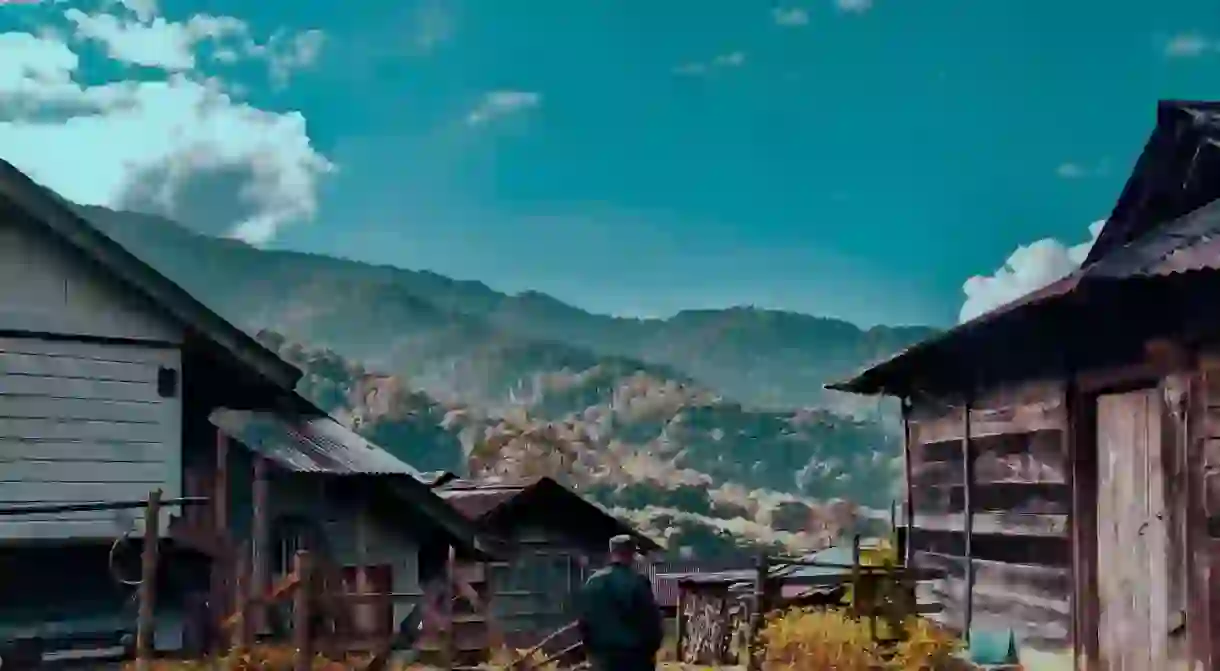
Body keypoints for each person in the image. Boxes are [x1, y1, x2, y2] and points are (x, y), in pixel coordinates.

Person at [576, 535, 664, 671]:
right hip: (635, 658)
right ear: (632, 554)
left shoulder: (592, 582)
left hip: (602, 658)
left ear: (612, 553)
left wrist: (590, 651)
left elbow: (583, 622)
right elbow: (651, 622)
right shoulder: (638, 582)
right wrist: (651, 650)